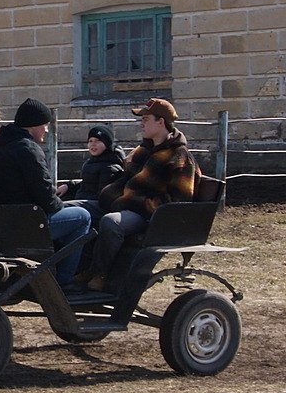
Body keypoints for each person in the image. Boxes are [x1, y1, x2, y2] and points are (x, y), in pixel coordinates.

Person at [83, 98, 200, 291]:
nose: (141, 124)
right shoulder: (143, 151)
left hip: (148, 216)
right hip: (123, 204)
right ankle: (73, 269)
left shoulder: (179, 156)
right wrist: (109, 195)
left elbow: (178, 200)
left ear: (160, 122)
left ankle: (100, 274)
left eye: (146, 119)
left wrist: (136, 202)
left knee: (111, 223)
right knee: (77, 210)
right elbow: (125, 179)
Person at [0, 98, 91, 292]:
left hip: (4, 219)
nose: (46, 130)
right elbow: (46, 196)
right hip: (26, 224)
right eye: (44, 126)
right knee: (83, 216)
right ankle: (64, 280)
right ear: (33, 126)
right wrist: (60, 203)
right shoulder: (27, 149)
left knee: (71, 210)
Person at [58, 125, 125, 216]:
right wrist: (69, 186)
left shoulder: (110, 167)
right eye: (90, 141)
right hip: (85, 202)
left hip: (98, 207)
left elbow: (103, 197)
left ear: (107, 143)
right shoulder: (92, 161)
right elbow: (88, 184)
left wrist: (79, 198)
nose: (93, 144)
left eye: (97, 141)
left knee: (61, 207)